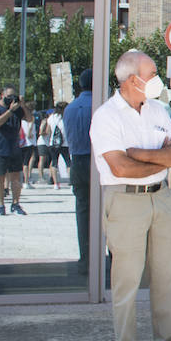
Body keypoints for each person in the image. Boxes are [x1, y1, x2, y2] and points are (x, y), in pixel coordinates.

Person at [90, 50, 171, 341]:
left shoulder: (158, 110)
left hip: (161, 197)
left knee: (167, 275)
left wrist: (141, 153)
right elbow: (120, 167)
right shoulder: (107, 116)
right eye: (153, 74)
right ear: (134, 79)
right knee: (127, 278)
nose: (158, 80)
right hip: (124, 200)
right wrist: (157, 156)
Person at [63, 69, 94, 276]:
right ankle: (111, 256)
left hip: (78, 161)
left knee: (83, 211)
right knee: (107, 211)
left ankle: (86, 257)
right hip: (99, 161)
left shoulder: (70, 108)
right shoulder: (103, 106)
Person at [0, 87, 29, 216]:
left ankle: (15, 203)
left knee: (16, 178)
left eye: (13, 96)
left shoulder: (17, 109)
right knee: (0, 178)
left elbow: (29, 119)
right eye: (9, 96)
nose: (11, 99)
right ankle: (1, 205)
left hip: (14, 148)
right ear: (2, 95)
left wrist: (22, 105)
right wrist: (10, 111)